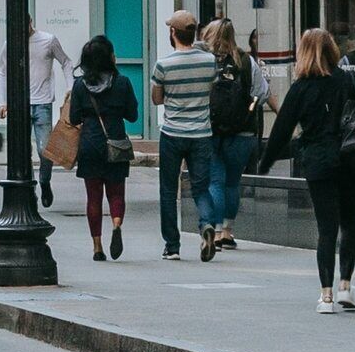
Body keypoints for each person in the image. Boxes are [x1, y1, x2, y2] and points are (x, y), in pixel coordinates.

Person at [263, 26, 355, 311]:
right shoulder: (349, 79)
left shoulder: (300, 88)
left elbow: (282, 129)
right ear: (332, 50)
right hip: (353, 162)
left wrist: (265, 161)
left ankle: (326, 296)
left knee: (326, 230)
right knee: (350, 225)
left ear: (303, 53)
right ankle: (345, 286)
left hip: (320, 163)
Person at [149, 13, 219, 261]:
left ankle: (172, 246)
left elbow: (157, 99)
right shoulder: (209, 61)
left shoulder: (163, 64)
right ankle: (207, 224)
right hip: (201, 133)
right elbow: (211, 90)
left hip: (172, 133)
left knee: (168, 190)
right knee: (201, 188)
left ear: (173, 33)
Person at [64, 37, 138, 262]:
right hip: (115, 143)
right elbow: (133, 115)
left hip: (90, 144)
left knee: (93, 197)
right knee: (116, 193)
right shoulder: (122, 82)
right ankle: (116, 224)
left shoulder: (80, 86)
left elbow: (73, 118)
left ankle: (97, 246)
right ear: (109, 58)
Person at [199, 19, 258, 258]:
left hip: (211, 130)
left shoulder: (203, 60)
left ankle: (212, 231)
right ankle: (227, 232)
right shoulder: (246, 61)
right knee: (232, 183)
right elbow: (261, 92)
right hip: (242, 133)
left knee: (215, 182)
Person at [22, 17, 68, 210]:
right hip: (21, 104)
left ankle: (44, 181)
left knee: (44, 150)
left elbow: (66, 61)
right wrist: (3, 101)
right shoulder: (12, 42)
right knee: (23, 152)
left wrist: (70, 87)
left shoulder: (48, 40)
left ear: (30, 22)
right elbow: (2, 71)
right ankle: (29, 189)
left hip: (42, 102)